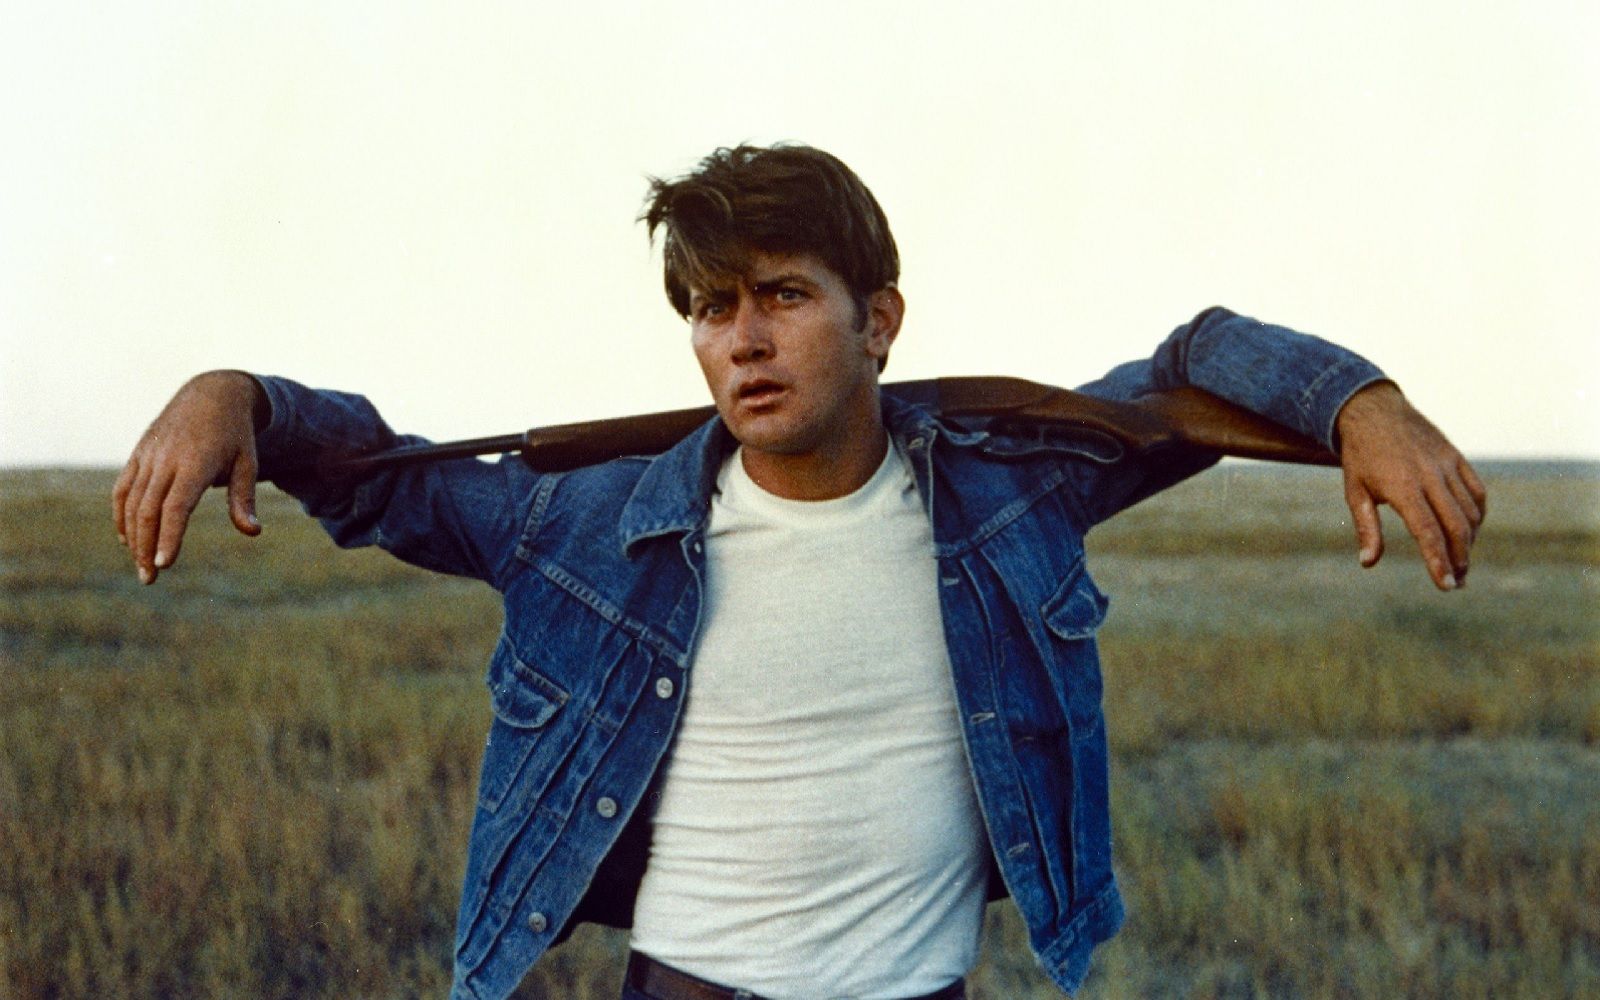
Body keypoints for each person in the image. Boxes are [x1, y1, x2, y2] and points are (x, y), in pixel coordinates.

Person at [114, 144, 1485, 1000]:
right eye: (712, 308)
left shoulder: (1015, 484)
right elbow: (375, 477)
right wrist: (234, 395)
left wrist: (1357, 402)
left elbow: (1195, 361)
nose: (743, 340)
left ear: (879, 320)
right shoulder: (577, 523)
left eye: (782, 295)